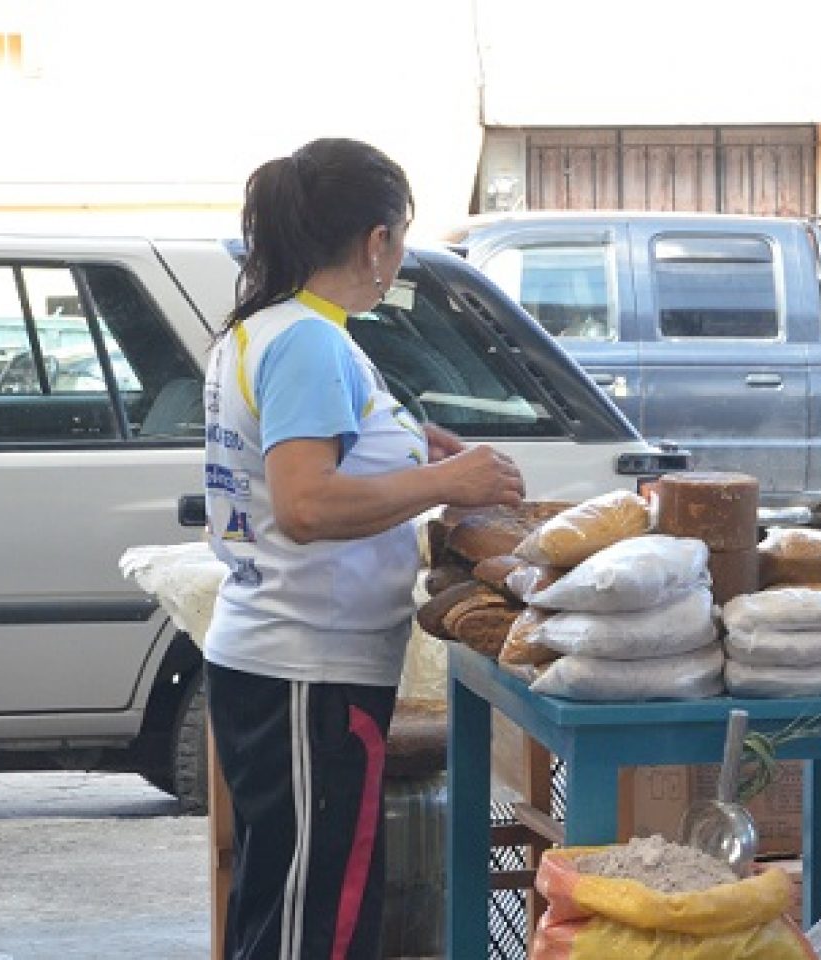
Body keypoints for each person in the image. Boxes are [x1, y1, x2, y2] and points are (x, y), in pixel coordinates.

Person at [202, 138, 524, 960]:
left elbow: (327, 456)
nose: (402, 255)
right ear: (376, 241)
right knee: (316, 925)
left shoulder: (278, 330)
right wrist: (456, 482)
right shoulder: (308, 342)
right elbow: (306, 503)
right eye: (402, 236)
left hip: (287, 666)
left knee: (287, 909)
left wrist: (417, 446)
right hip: (308, 672)